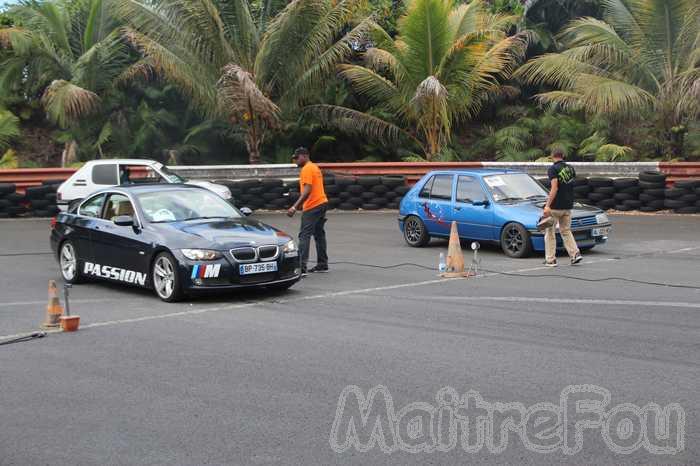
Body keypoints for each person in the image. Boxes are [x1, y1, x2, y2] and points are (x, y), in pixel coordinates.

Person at [287, 147, 329, 274]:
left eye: (297, 158)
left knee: (304, 235)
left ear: (304, 156)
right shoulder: (314, 167)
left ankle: (302, 267)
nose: (295, 161)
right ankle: (322, 264)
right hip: (322, 203)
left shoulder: (306, 169)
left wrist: (295, 207)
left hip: (313, 205)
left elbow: (307, 189)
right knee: (319, 234)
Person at [543, 149, 582, 267]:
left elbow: (554, 188)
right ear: (563, 156)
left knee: (550, 232)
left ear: (552, 156)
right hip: (568, 205)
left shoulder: (552, 169)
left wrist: (547, 205)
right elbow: (569, 186)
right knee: (566, 230)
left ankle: (551, 259)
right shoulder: (570, 168)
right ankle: (575, 254)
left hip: (555, 206)